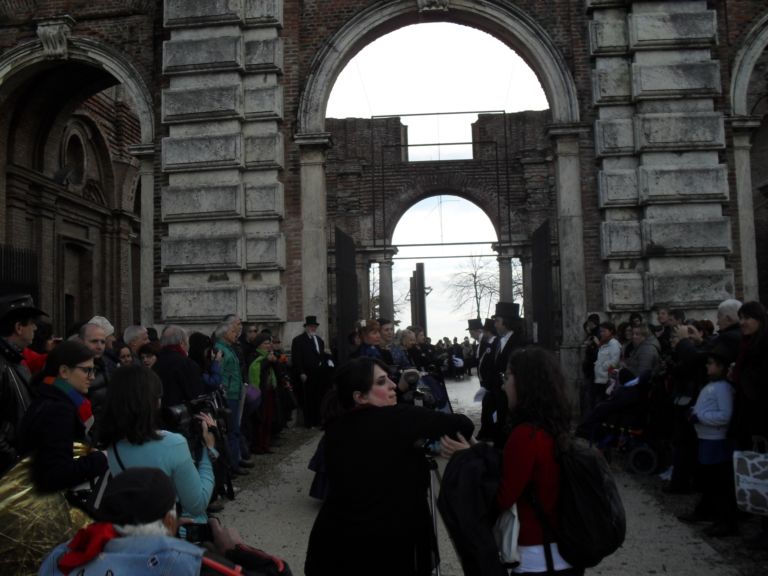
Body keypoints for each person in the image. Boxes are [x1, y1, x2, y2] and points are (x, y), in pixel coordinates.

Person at [305, 357, 474, 576]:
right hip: (388, 546)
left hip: (335, 542)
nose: (394, 385)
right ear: (360, 396)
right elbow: (462, 425)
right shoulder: (400, 419)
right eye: (382, 382)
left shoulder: (335, 427)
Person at [443, 347, 582, 575]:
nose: (504, 385)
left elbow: (503, 496)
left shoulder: (525, 435)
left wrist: (469, 463)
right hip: (564, 549)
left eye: (508, 377)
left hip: (538, 554)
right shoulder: (554, 426)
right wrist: (476, 451)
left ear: (525, 383)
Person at [39, 466, 290, 576]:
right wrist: (236, 550)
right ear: (168, 518)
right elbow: (280, 571)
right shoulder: (183, 560)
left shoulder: (64, 554)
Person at [99, 365, 216, 527]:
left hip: (136, 531)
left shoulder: (113, 445)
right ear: (152, 401)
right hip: (174, 531)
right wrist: (208, 450)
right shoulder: (172, 444)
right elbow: (197, 504)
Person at [20, 340, 108, 491]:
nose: (92, 377)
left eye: (93, 370)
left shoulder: (47, 397)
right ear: (64, 372)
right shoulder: (59, 409)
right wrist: (101, 458)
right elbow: (57, 474)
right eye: (86, 370)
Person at [677, 344, 737, 537]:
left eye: (711, 364)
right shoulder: (712, 386)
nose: (707, 367)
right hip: (705, 437)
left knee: (718, 481)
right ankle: (707, 511)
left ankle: (722, 519)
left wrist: (700, 417)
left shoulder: (723, 389)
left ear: (721, 367)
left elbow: (725, 416)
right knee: (709, 479)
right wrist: (694, 412)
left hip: (716, 439)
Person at [0, 293, 45, 474]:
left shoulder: (17, 360)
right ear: (19, 327)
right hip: (9, 469)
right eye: (32, 323)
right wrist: (15, 459)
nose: (35, 328)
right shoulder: (3, 363)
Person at [291, 315, 329, 428]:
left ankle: (318, 420)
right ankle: (309, 422)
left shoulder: (319, 340)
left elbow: (321, 355)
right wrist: (301, 372)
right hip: (307, 374)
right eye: (311, 326)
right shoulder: (298, 340)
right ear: (306, 327)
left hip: (319, 374)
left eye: (314, 326)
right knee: (308, 399)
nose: (313, 328)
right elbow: (296, 358)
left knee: (319, 397)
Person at [153, 325, 204, 409]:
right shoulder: (187, 364)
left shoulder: (156, 362)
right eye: (187, 342)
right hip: (180, 414)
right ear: (182, 343)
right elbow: (196, 394)